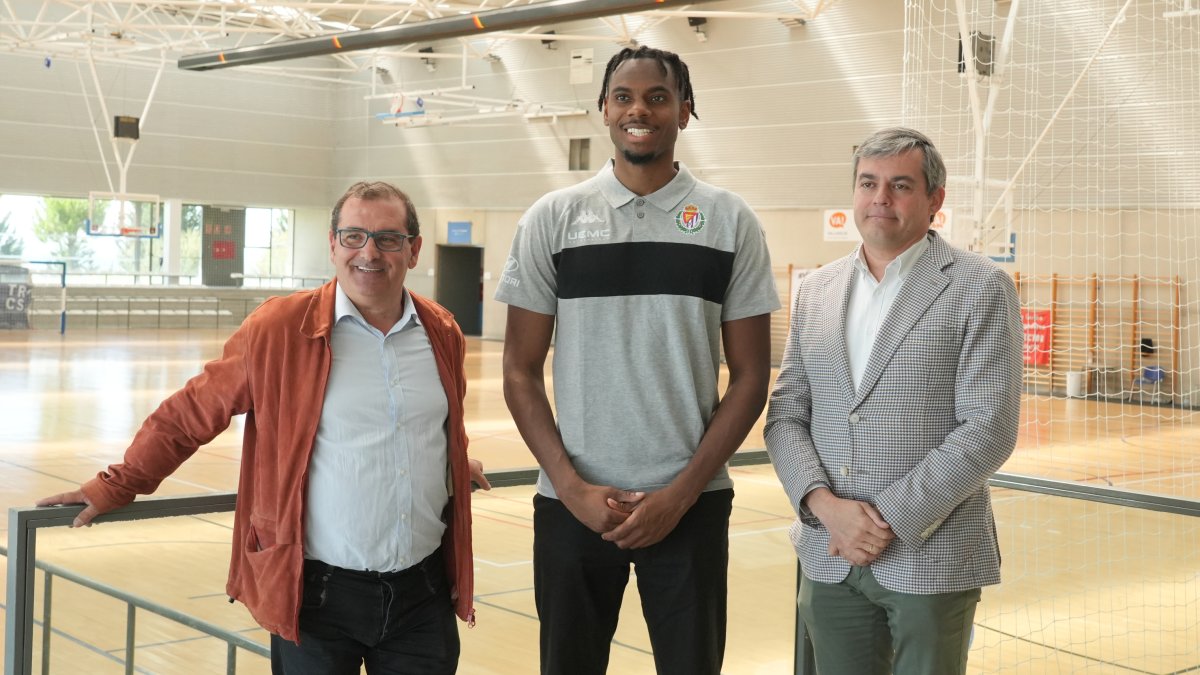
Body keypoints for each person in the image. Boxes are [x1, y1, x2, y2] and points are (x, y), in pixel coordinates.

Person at [38, 181, 490, 675]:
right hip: (315, 594)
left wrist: (444, 461)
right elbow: (190, 413)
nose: (370, 252)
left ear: (413, 249)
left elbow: (426, 421)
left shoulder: (441, 332)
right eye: (355, 236)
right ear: (333, 244)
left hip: (421, 595)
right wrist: (117, 484)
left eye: (387, 238)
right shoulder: (279, 329)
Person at [496, 45, 780, 675]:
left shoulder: (729, 221)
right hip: (574, 505)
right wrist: (569, 486)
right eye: (623, 96)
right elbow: (519, 370)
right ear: (603, 109)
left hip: (691, 505)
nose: (639, 109)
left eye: (658, 95)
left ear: (685, 109)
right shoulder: (554, 219)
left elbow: (752, 376)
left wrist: (680, 495)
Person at [764, 127, 1023, 674]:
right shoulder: (816, 289)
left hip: (930, 557)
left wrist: (883, 520)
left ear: (935, 201)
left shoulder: (980, 287)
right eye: (868, 183)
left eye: (900, 185)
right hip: (828, 552)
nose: (880, 198)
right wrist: (826, 509)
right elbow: (786, 416)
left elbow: (989, 428)